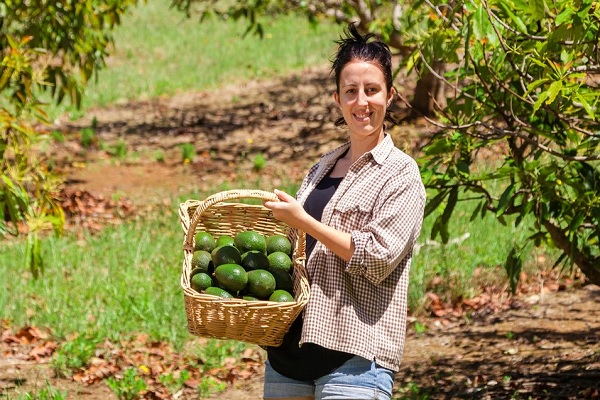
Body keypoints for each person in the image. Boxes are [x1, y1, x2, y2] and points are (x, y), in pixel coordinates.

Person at [262, 23, 426, 400]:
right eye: (350, 91)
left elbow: (377, 257)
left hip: (354, 362)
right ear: (337, 99)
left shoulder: (401, 173)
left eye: (371, 90)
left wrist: (304, 221)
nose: (361, 102)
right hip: (288, 358)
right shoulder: (322, 166)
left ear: (390, 95)